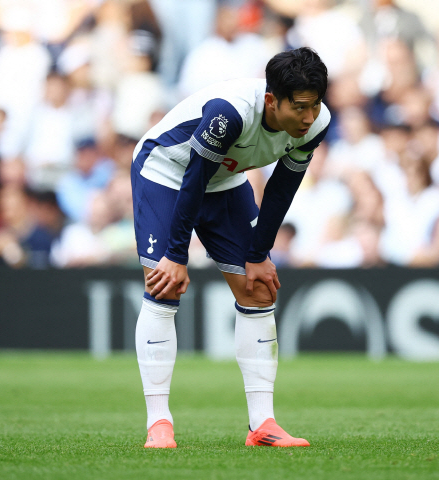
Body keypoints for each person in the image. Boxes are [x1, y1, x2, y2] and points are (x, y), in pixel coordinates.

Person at [130, 47, 330, 448]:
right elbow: (193, 178)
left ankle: (263, 425)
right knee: (164, 286)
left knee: (258, 290)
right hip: (166, 172)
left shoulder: (317, 123)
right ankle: (159, 424)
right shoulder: (229, 113)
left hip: (224, 182)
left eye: (315, 105)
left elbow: (280, 191)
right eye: (300, 108)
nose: (309, 118)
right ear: (272, 101)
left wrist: (258, 254)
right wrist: (176, 253)